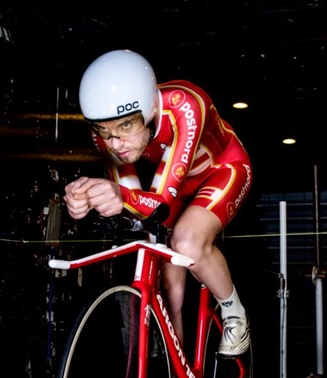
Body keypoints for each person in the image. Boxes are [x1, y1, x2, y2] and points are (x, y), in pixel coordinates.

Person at [64, 49, 252, 356]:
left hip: (222, 169)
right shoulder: (107, 136)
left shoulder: (185, 105)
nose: (115, 144)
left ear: (150, 108)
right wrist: (87, 200)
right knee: (166, 279)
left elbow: (160, 200)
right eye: (104, 131)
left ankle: (236, 314)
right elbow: (132, 201)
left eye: (126, 126)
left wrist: (119, 195)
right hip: (175, 183)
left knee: (186, 241)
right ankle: (173, 367)